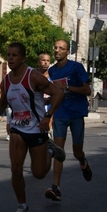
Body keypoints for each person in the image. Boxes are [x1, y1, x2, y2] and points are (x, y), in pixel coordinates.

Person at [0, 42, 66, 212]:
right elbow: (3, 102)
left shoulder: (33, 76)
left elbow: (58, 93)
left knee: (39, 173)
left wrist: (47, 116)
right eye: (8, 55)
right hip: (17, 129)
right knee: (16, 169)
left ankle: (51, 151)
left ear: (23, 58)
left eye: (14, 55)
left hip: (37, 129)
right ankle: (22, 207)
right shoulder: (6, 80)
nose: (10, 58)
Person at [44, 39, 92, 201]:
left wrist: (68, 88)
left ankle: (83, 162)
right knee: (59, 150)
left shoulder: (76, 67)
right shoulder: (52, 71)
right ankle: (56, 187)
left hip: (77, 113)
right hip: (61, 113)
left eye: (61, 48)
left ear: (67, 52)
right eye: (55, 47)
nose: (57, 50)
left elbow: (87, 90)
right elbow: (56, 94)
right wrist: (47, 100)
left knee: (77, 151)